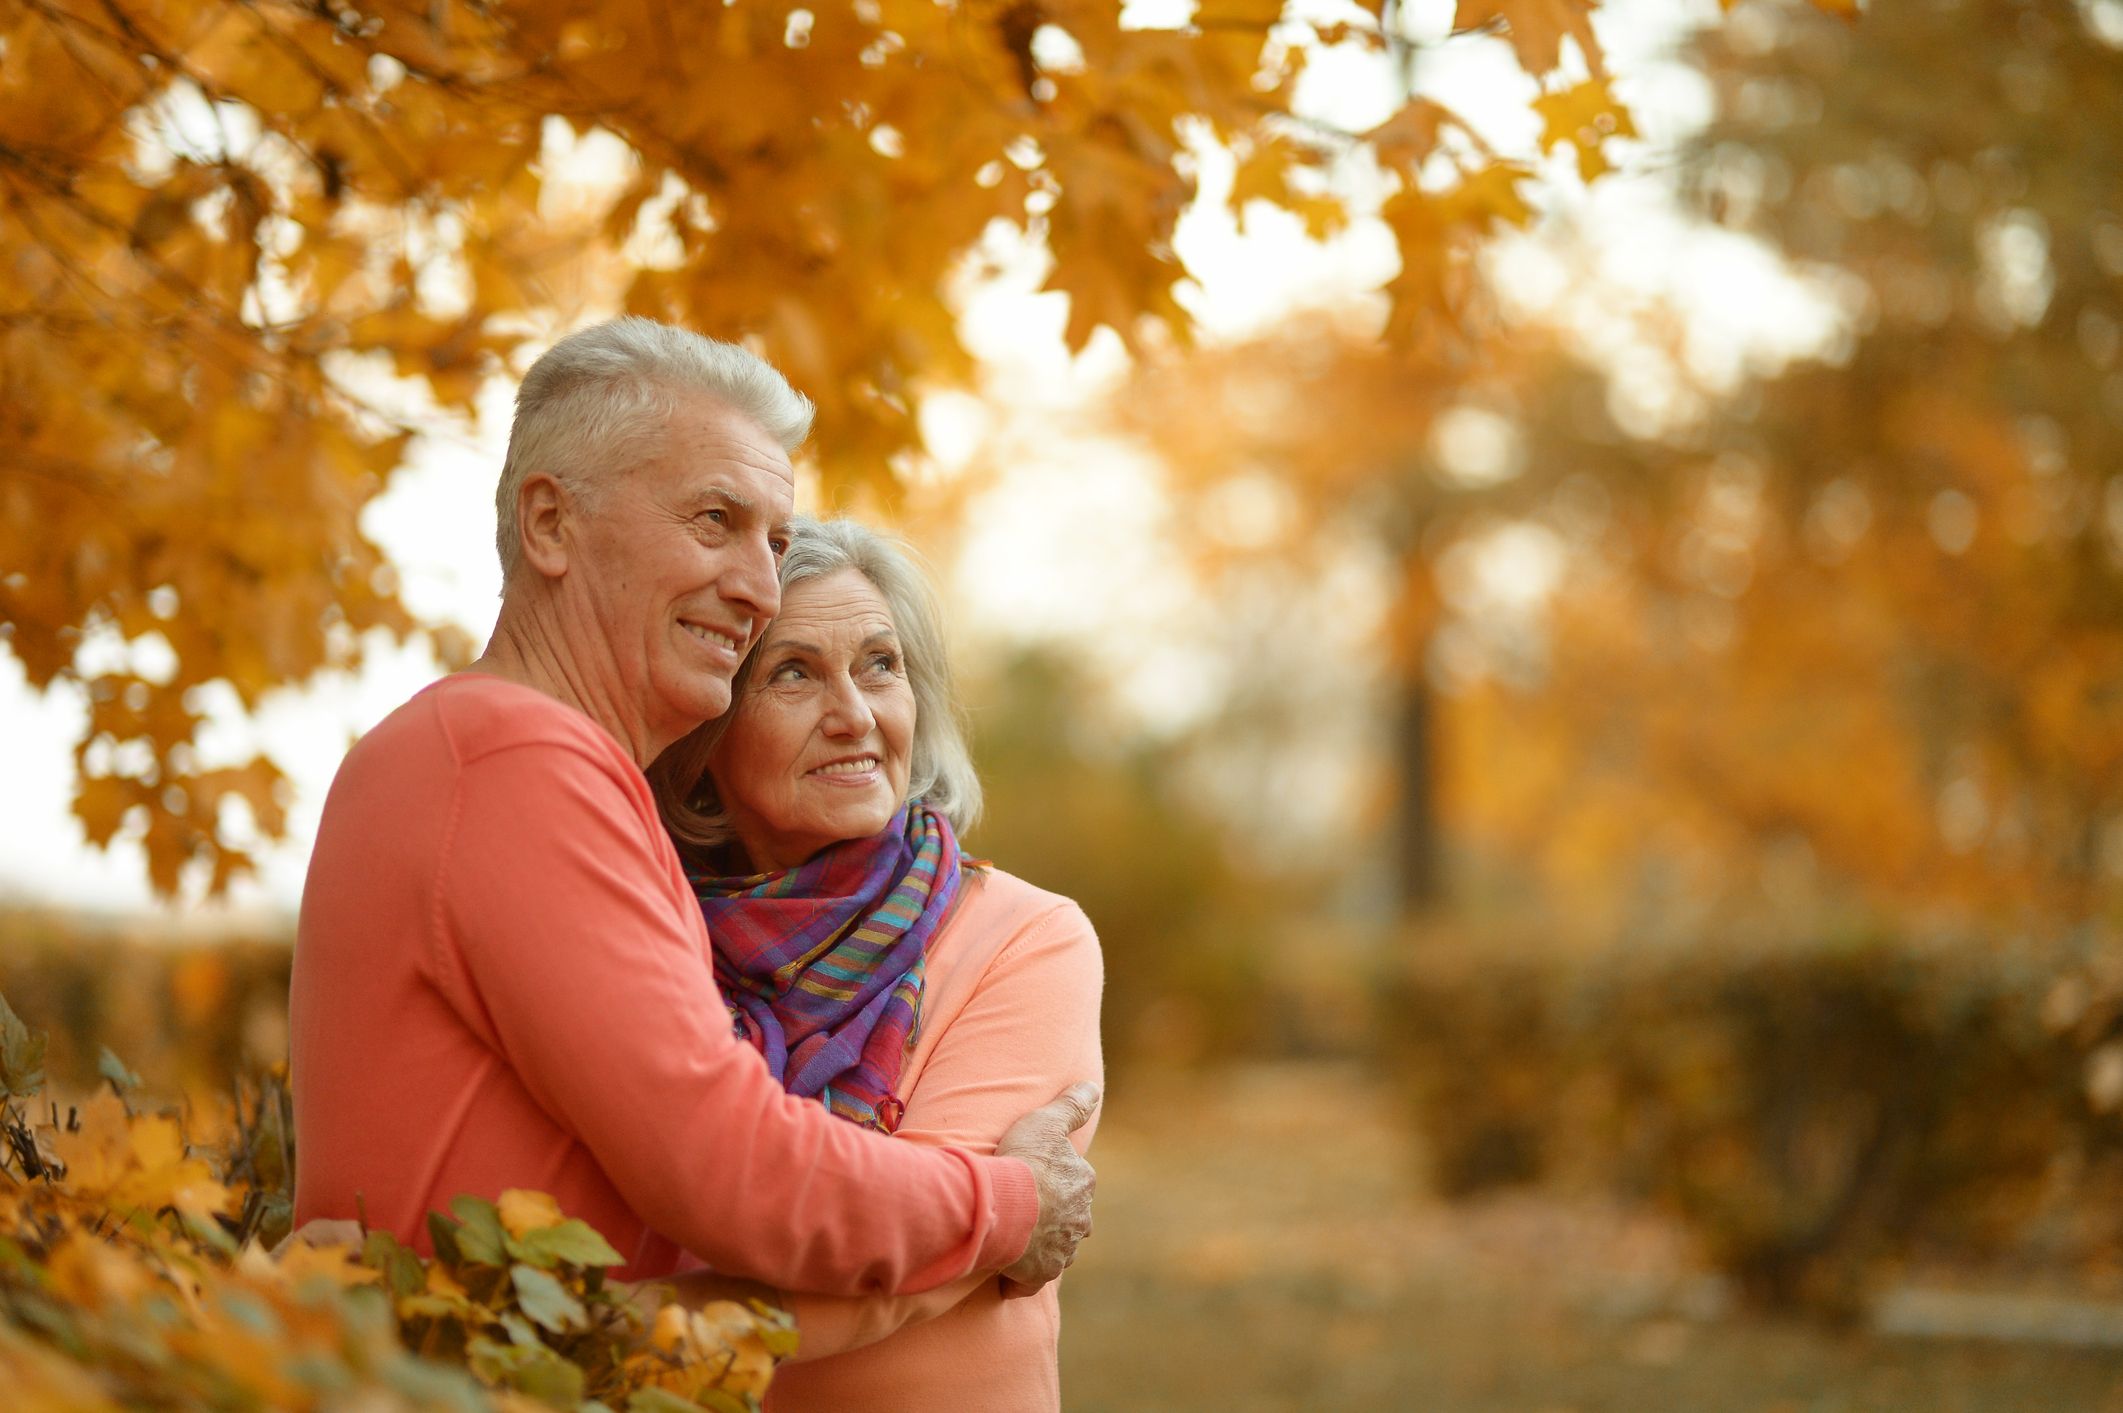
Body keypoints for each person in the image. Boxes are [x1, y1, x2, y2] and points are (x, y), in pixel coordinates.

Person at [289, 318, 1096, 1300]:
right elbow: (730, 1167)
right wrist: (1007, 1203)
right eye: (714, 520)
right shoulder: (512, 759)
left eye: (776, 539)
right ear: (550, 524)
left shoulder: (516, 761)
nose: (758, 587)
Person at [647, 518, 1103, 1411]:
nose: (854, 713)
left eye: (880, 665)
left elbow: (918, 1261)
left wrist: (616, 1324)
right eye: (792, 672)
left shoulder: (1026, 937)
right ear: (704, 740)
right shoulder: (645, 934)